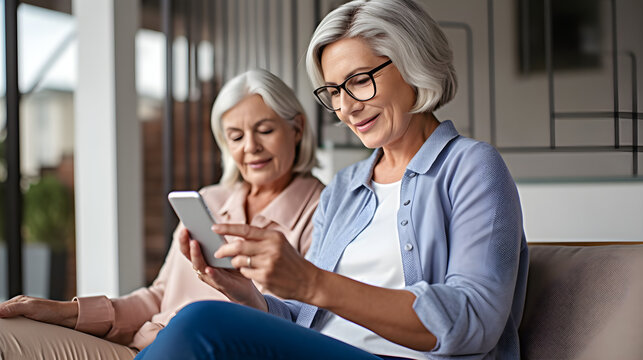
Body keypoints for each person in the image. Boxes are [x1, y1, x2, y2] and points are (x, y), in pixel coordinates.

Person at [136, 0, 529, 359]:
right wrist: (245, 294)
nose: (346, 108)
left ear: (413, 65)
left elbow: (474, 322)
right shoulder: (345, 187)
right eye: (334, 91)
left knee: (201, 322)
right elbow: (305, 320)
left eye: (359, 80)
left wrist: (311, 282)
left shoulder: (471, 167)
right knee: (202, 319)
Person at [0, 69, 324, 359]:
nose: (250, 147)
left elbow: (301, 326)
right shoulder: (210, 200)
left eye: (265, 130)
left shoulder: (321, 211)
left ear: (297, 128)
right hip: (144, 348)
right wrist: (65, 311)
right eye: (236, 137)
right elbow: (159, 297)